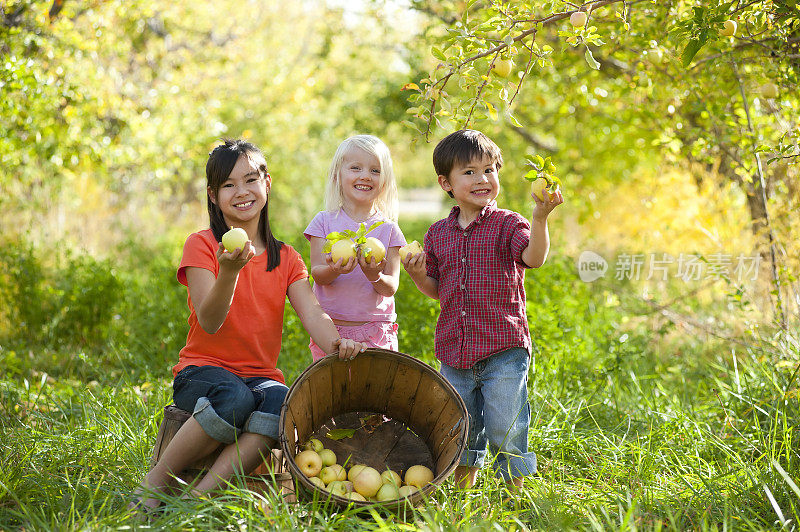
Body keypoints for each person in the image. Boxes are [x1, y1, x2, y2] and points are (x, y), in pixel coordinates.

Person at [132, 139, 365, 513]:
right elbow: (209, 322)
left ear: (267, 184)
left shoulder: (286, 258)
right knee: (234, 398)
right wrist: (229, 272)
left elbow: (312, 313)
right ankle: (154, 482)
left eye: (250, 180)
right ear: (213, 195)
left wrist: (339, 343)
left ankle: (197, 499)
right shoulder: (202, 245)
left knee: (279, 402)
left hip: (259, 376)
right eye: (228, 185)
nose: (242, 192)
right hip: (201, 372)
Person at [401, 129, 563, 489]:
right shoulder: (437, 234)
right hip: (455, 352)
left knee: (507, 423)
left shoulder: (509, 224)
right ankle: (464, 491)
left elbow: (533, 258)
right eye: (470, 172)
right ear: (446, 183)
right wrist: (416, 275)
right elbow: (438, 290)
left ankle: (514, 494)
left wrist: (540, 218)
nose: (482, 179)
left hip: (502, 347)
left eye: (489, 170)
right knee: (462, 424)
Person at [303, 135, 406, 361]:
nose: (365, 176)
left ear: (385, 180)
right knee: (333, 391)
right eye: (355, 168)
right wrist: (335, 269)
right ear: (337, 175)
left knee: (376, 392)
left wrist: (374, 275)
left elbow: (390, 287)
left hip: (376, 332)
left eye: (375, 171)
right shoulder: (323, 223)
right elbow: (318, 274)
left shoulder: (389, 230)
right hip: (331, 331)